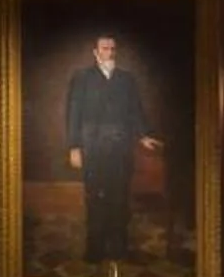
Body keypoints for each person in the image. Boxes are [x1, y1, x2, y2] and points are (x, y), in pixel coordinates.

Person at [63, 34, 160, 264]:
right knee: (95, 198)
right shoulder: (82, 78)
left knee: (119, 199)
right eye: (105, 48)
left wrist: (143, 136)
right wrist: (74, 147)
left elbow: (135, 111)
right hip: (92, 148)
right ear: (95, 52)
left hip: (120, 148)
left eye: (113, 48)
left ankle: (118, 248)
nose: (110, 52)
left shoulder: (127, 79)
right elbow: (73, 114)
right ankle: (95, 249)